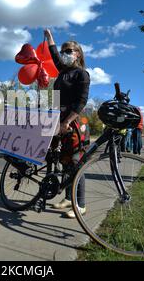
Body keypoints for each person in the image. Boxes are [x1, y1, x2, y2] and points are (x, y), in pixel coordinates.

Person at [44, 29, 90, 218]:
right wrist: (50, 38)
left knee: (76, 162)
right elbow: (54, 56)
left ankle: (80, 204)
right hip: (60, 120)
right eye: (64, 50)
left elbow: (82, 101)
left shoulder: (82, 74)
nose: (65, 53)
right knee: (64, 161)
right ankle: (68, 198)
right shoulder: (63, 72)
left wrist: (68, 121)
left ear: (78, 53)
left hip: (75, 121)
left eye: (69, 50)